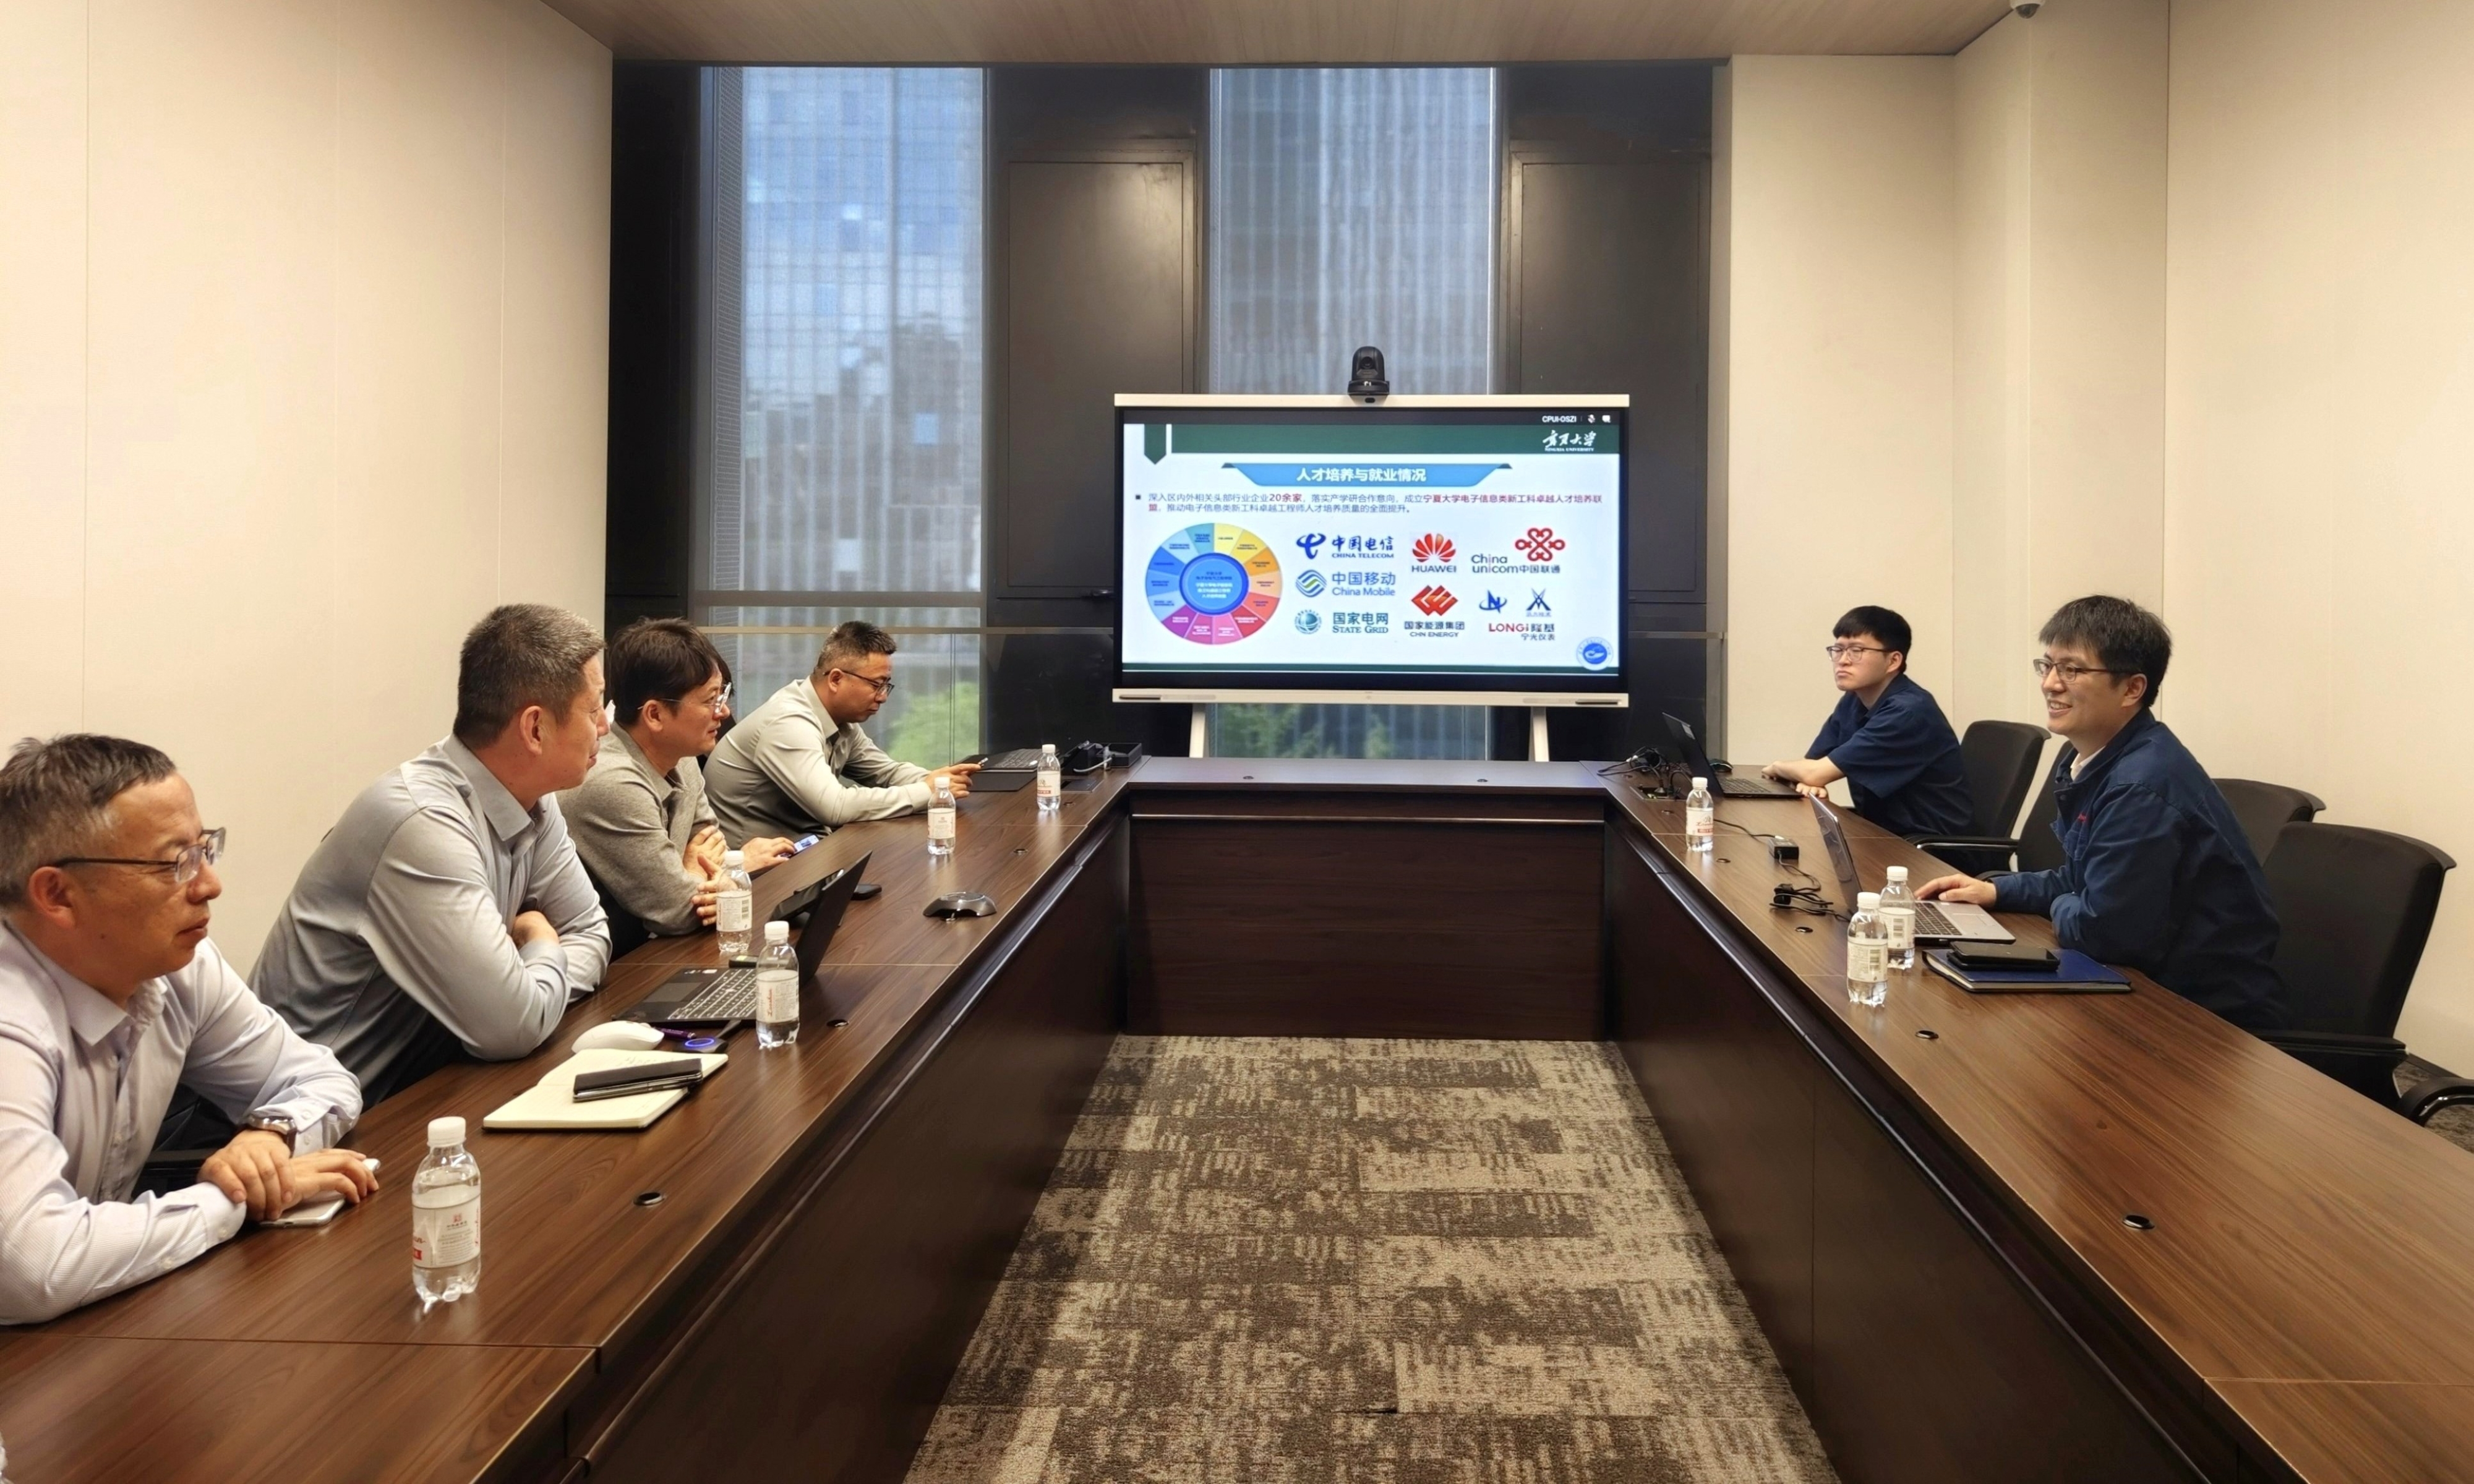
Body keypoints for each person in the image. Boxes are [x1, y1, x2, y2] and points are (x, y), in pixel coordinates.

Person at [0, 735, 374, 1324]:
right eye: (174, 863)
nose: (208, 885)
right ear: (58, 894)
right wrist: (229, 1201)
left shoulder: (177, 967)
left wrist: (269, 1140)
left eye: (205, 850)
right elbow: (31, 1267)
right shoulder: (10, 1015)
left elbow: (323, 1079)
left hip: (93, 1325)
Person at [255, 604, 614, 1103]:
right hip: (297, 1115)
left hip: (417, 1089)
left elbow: (591, 933)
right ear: (535, 728)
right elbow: (512, 1028)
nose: (605, 727)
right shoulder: (423, 822)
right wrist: (541, 937)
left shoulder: (534, 799)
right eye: (594, 710)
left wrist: (529, 985)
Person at [1917, 595, 2284, 1030]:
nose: (2050, 684)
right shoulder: (2094, 759)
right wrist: (1995, 890)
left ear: (2132, 689)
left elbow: (2103, 932)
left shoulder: (2140, 785)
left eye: (2072, 670)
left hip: (2201, 1020)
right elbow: (2082, 881)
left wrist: (2067, 901)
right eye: (2048, 666)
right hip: (2147, 987)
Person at [559, 618, 795, 952]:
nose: (724, 712)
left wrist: (694, 876)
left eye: (723, 695)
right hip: (609, 966)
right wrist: (695, 878)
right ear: (655, 715)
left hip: (652, 949)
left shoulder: (682, 756)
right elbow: (678, 912)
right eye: (711, 700)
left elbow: (713, 849)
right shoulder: (613, 782)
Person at [704, 620, 980, 843]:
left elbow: (885, 773)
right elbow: (834, 807)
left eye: (886, 685)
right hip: (756, 874)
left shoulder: (840, 721)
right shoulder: (788, 723)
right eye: (876, 685)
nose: (883, 697)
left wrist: (940, 782)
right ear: (836, 679)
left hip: (804, 852)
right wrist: (925, 791)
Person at [1762, 605, 1974, 839]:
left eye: (1857, 651)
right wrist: (1810, 778)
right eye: (1838, 650)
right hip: (1879, 834)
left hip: (1930, 849)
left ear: (1893, 661)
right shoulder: (1854, 699)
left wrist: (1779, 767)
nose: (1843, 661)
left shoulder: (1908, 712)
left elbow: (1813, 772)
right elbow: (1812, 766)